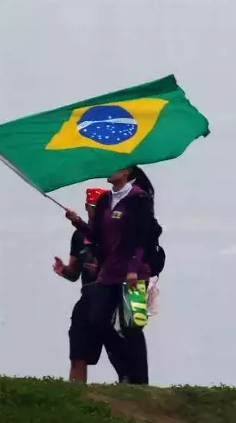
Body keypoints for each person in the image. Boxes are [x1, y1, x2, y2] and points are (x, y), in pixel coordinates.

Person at [76, 165, 157, 385]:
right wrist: (78, 222)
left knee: (132, 326)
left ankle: (140, 381)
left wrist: (132, 268)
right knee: (98, 320)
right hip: (109, 272)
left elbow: (141, 237)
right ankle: (124, 371)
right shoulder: (105, 200)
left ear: (127, 172)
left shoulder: (139, 198)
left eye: (115, 168)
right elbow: (98, 235)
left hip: (135, 273)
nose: (109, 170)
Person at [53, 187, 128, 384]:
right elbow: (74, 272)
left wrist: (103, 269)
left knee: (119, 351)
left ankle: (129, 391)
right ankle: (76, 395)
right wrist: (64, 270)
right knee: (78, 349)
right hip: (87, 296)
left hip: (110, 296)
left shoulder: (116, 234)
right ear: (87, 207)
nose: (98, 211)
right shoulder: (79, 236)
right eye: (94, 207)